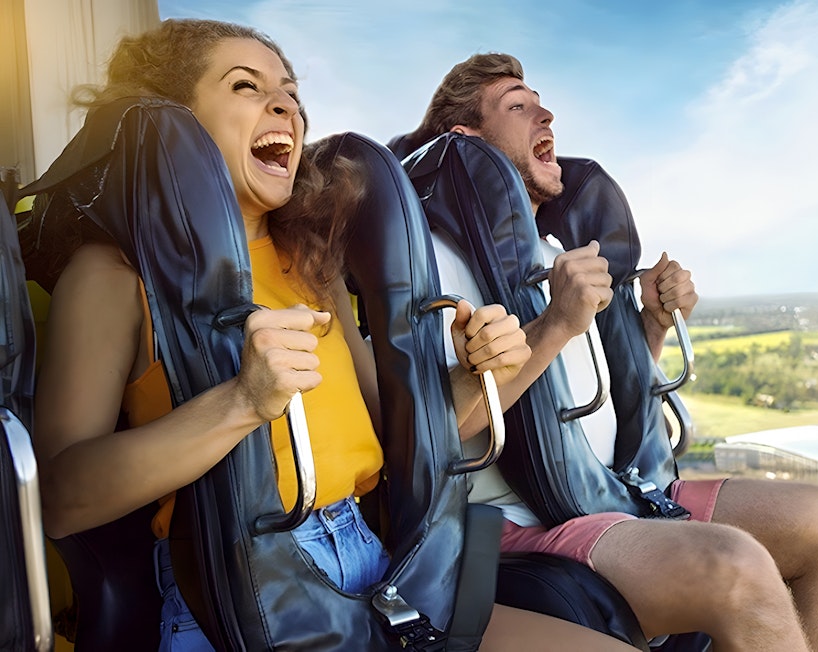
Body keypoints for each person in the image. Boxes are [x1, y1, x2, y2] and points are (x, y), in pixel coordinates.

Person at [31, 21, 642, 652]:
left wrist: (478, 374)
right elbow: (61, 499)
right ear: (170, 122)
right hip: (230, 598)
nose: (285, 107)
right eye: (246, 86)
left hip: (376, 569)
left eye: (291, 93)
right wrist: (241, 402)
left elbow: (404, 437)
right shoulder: (111, 274)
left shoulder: (313, 265)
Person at [402, 52, 818, 652]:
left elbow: (598, 402)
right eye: (517, 106)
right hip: (516, 523)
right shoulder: (433, 263)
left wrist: (651, 325)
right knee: (734, 565)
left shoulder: (554, 248)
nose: (546, 113)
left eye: (540, 102)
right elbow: (434, 437)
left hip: (616, 488)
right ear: (465, 138)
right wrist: (556, 324)